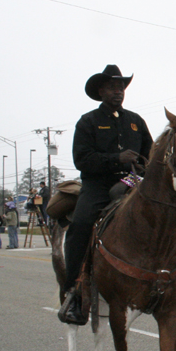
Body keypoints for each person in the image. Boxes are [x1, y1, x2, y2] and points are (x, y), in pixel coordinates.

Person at [58, 65, 155, 325]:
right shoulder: (88, 121)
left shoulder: (135, 121)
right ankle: (73, 291)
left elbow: (151, 154)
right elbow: (82, 159)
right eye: (113, 87)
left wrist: (144, 166)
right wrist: (116, 159)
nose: (118, 92)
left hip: (132, 181)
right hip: (98, 184)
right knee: (80, 225)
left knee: (167, 214)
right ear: (101, 91)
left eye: (122, 87)